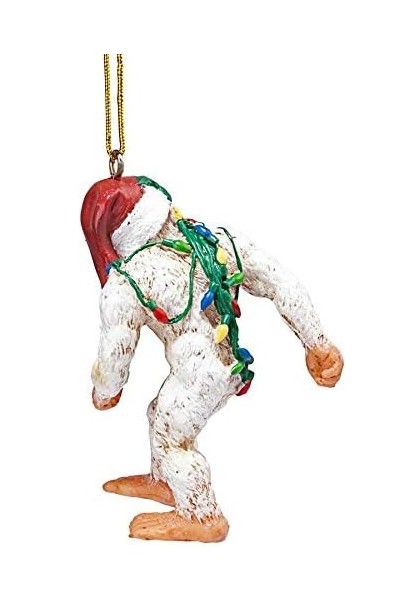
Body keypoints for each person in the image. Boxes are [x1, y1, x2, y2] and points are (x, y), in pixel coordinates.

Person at [81, 175, 344, 542]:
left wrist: (104, 392)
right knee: (159, 413)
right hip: (227, 364)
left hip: (199, 375)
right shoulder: (216, 241)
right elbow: (279, 281)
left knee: (173, 439)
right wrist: (318, 343)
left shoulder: (126, 281)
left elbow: (115, 351)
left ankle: (202, 515)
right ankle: (165, 482)